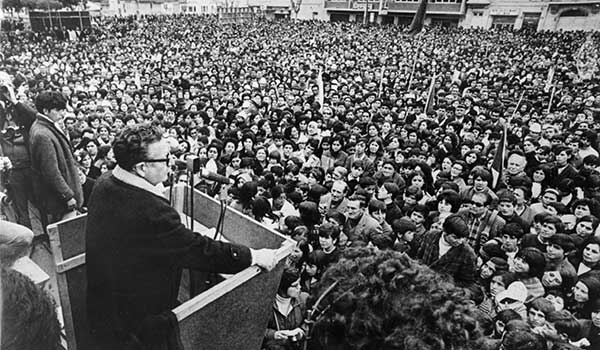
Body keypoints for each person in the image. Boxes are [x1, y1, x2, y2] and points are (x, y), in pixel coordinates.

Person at [85, 124, 280, 350]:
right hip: (136, 328)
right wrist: (251, 255)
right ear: (141, 168)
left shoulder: (105, 183)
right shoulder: (151, 212)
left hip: (105, 311)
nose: (171, 164)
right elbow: (197, 250)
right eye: (165, 159)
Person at [29, 90, 83, 224]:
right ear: (46, 111)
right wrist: (68, 196)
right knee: (66, 238)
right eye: (58, 110)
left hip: (62, 195)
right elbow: (50, 171)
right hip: (59, 201)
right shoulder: (42, 134)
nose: (62, 113)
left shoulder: (46, 126)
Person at [416, 214, 477, 288]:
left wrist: (446, 285)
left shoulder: (468, 253)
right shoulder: (430, 235)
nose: (460, 241)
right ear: (444, 232)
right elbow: (419, 257)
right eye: (455, 237)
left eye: (463, 238)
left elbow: (467, 282)